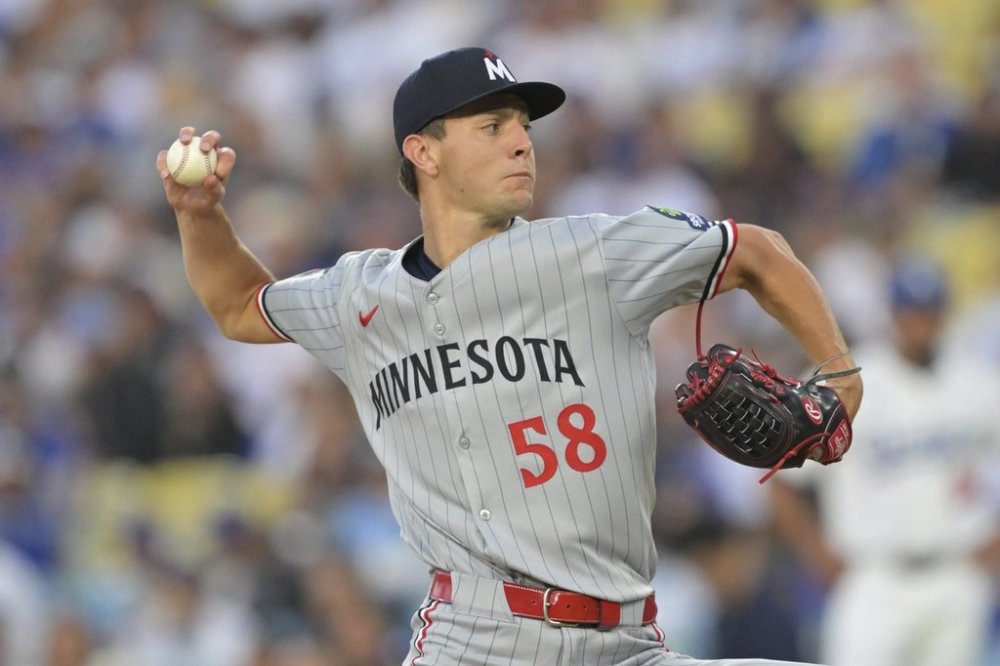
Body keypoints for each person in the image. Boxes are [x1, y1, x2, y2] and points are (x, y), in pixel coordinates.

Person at [157, 47, 862, 666]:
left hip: (628, 646)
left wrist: (841, 371)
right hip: (473, 643)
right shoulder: (358, 296)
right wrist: (199, 216)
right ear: (423, 152)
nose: (522, 143)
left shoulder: (592, 252)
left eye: (523, 126)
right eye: (492, 127)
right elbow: (240, 305)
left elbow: (757, 253)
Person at [770, 257, 1000, 666]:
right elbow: (782, 478)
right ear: (893, 314)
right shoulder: (848, 381)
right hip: (874, 577)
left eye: (930, 311)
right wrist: (815, 551)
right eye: (912, 311)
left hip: (958, 572)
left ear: (944, 313)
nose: (921, 321)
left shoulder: (977, 382)